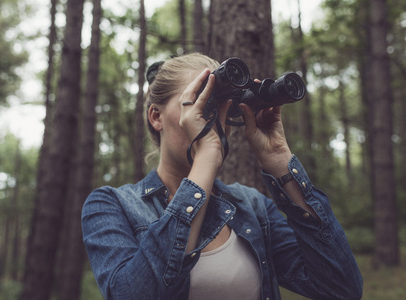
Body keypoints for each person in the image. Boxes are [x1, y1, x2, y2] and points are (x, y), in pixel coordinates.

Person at [81, 53, 363, 300]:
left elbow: (340, 288)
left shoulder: (252, 207)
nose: (213, 121)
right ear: (156, 116)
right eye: (200, 107)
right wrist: (205, 156)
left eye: (220, 107)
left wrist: (279, 161)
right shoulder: (111, 205)